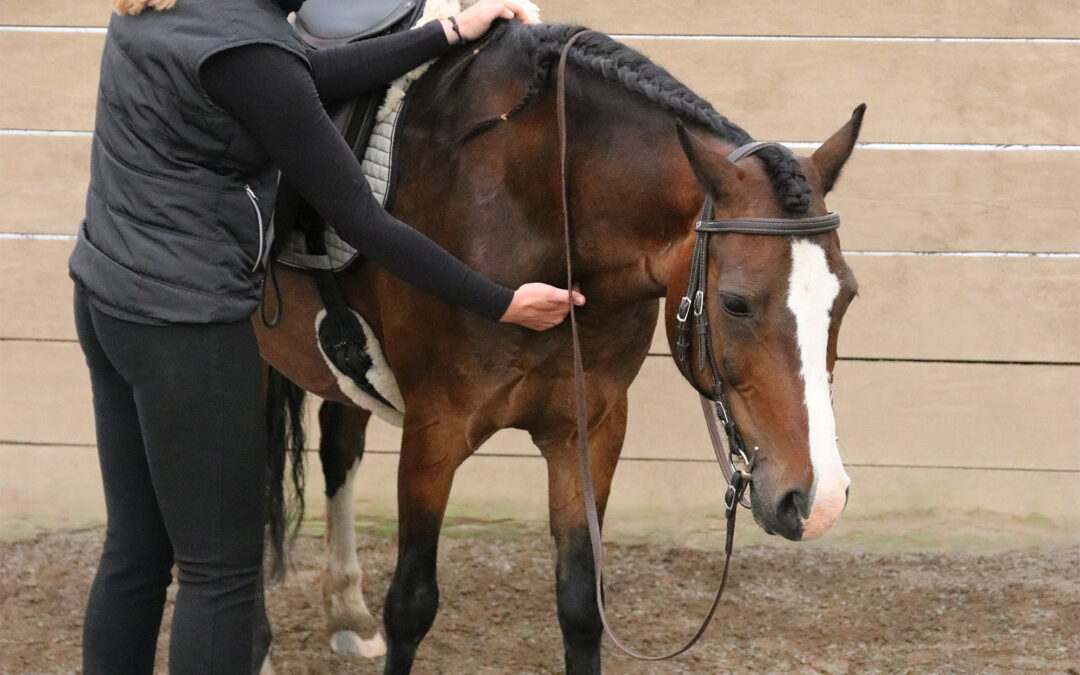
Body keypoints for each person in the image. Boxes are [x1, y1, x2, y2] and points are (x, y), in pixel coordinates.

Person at [68, 0, 585, 672]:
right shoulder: (249, 48)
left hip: (108, 300)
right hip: (185, 331)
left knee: (135, 550)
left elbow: (302, 72)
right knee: (219, 575)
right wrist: (501, 300)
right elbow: (362, 220)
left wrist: (447, 32)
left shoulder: (168, 10)